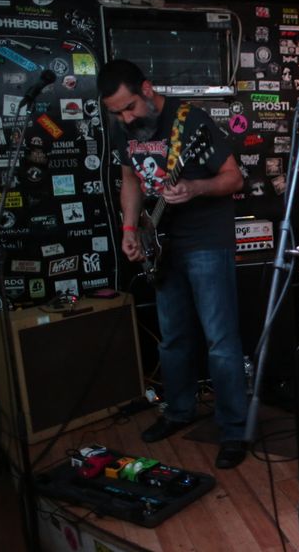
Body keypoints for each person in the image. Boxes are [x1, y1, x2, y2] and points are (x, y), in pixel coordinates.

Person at [98, 59, 248, 470]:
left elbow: (234, 178)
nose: (126, 118)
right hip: (161, 243)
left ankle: (234, 430)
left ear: (147, 89)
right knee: (172, 337)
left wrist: (196, 187)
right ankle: (179, 410)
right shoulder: (124, 126)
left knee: (220, 340)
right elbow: (130, 178)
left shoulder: (192, 122)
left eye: (129, 107)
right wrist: (131, 228)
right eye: (117, 113)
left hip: (206, 241)